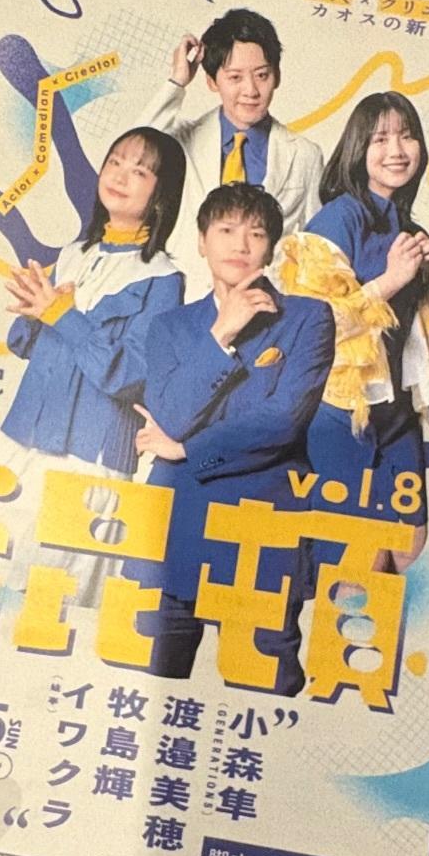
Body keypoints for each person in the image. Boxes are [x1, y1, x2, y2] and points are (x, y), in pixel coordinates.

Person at [0, 126, 185, 603]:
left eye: (139, 171)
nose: (120, 176)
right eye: (115, 162)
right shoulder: (74, 254)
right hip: (26, 437)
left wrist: (64, 316)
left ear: (162, 194)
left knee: (53, 590)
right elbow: (28, 346)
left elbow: (132, 375)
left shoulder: (163, 279)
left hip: (89, 455)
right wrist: (34, 311)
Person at [130, 184, 334, 695]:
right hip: (174, 528)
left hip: (261, 532)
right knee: (146, 692)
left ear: (271, 247)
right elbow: (171, 414)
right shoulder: (170, 327)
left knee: (265, 698)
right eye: (225, 230)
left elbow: (282, 420)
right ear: (202, 242)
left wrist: (187, 449)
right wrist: (221, 333)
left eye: (256, 233)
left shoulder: (308, 318)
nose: (240, 244)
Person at [277, 93, 429, 573]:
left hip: (395, 410)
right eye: (380, 139)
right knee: (355, 561)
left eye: (407, 136)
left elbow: (424, 338)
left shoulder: (409, 225)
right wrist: (390, 281)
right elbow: (309, 328)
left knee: (407, 544)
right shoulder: (337, 218)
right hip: (338, 411)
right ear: (358, 149)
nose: (396, 150)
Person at [147, 9, 323, 287]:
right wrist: (177, 81)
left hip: (269, 303)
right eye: (235, 77)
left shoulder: (305, 155)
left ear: (277, 76)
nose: (251, 90)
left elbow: (315, 247)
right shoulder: (183, 140)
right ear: (211, 81)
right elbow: (133, 151)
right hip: (188, 297)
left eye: (262, 75)